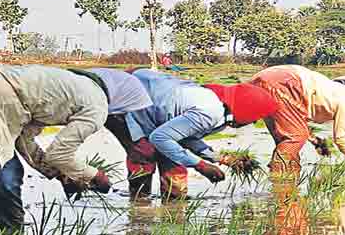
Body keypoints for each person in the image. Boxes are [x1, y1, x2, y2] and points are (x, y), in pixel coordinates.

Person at [0, 65, 150, 235]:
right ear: (123, 102)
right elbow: (59, 153)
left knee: (8, 175)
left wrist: (58, 174)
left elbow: (25, 140)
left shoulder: (73, 85)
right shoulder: (97, 106)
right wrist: (94, 175)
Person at [103, 69, 251, 199]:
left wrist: (220, 158)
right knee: (144, 152)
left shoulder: (216, 110)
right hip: (125, 100)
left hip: (155, 110)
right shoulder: (210, 112)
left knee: (173, 158)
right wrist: (200, 165)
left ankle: (175, 206)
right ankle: (140, 205)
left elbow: (184, 138)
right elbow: (160, 138)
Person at [249, 65, 345, 173]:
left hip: (261, 78)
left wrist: (316, 141)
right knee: (295, 137)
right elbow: (341, 139)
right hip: (284, 82)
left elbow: (296, 121)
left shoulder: (326, 87)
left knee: (283, 139)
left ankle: (288, 173)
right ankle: (279, 179)